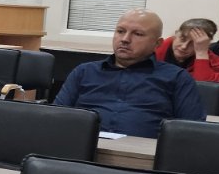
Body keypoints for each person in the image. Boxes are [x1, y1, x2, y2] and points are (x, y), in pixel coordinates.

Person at [53, 9, 205, 138]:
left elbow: (191, 132)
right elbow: (55, 117)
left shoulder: (177, 78)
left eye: (138, 34)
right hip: (80, 152)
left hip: (144, 158)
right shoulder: (85, 72)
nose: (125, 39)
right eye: (120, 31)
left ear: (157, 43)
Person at [154, 18, 219, 83]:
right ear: (176, 34)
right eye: (182, 39)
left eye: (193, 43)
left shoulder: (213, 62)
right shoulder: (156, 48)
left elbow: (205, 89)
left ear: (205, 44)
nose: (184, 46)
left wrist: (201, 54)